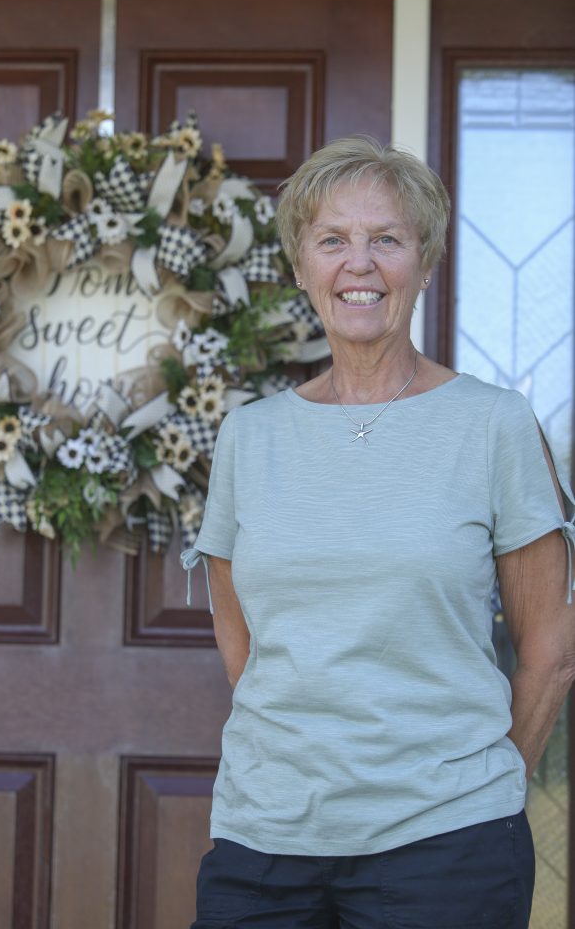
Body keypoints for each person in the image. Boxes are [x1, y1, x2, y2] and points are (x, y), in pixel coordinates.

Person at [181, 136, 575, 929]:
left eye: (385, 239)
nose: (357, 263)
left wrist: (485, 786)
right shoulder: (249, 437)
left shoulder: (492, 425)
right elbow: (241, 638)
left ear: (423, 265)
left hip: (446, 844)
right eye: (331, 240)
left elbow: (550, 652)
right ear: (301, 267)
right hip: (264, 838)